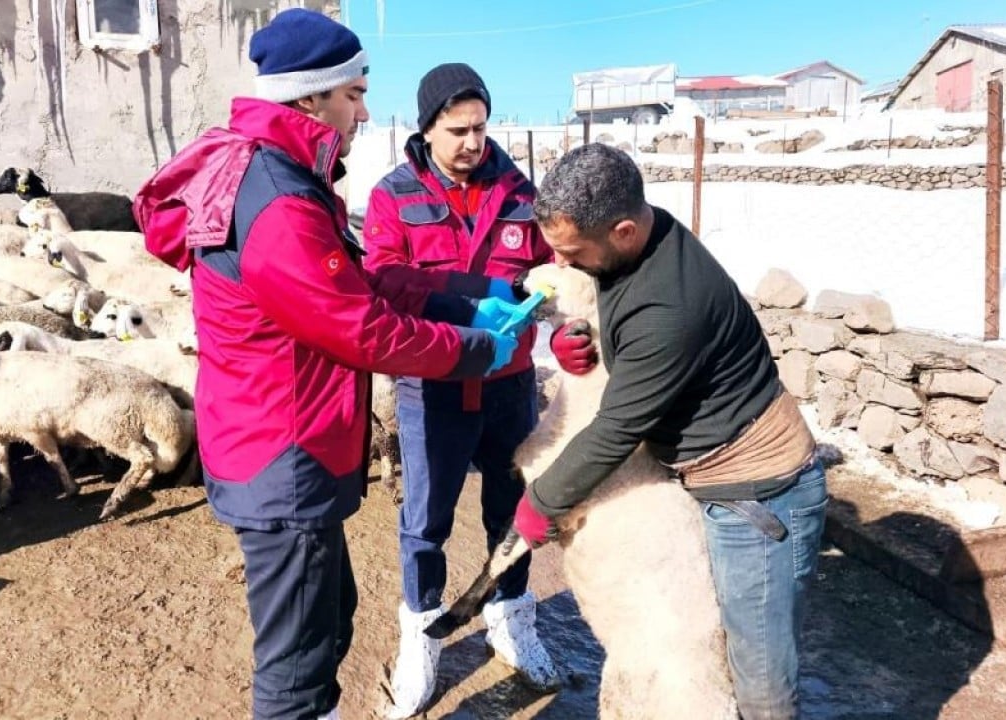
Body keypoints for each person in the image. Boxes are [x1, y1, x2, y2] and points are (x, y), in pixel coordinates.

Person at [133, 10, 528, 720]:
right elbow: (360, 328)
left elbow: (349, 285)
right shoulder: (281, 198)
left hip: (275, 435)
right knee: (297, 670)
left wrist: (471, 300)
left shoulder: (273, 173)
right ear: (312, 97)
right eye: (354, 93)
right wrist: (478, 349)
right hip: (284, 453)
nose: (364, 110)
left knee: (330, 616)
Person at [512, 143, 828, 720]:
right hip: (723, 475)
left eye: (572, 253)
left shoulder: (668, 308)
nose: (563, 265)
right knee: (712, 650)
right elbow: (624, 326)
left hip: (757, 497)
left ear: (624, 230)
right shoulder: (644, 243)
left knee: (756, 679)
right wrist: (594, 343)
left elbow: (614, 431)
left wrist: (543, 500)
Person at [363, 62, 580, 716]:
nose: (472, 142)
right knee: (424, 521)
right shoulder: (392, 196)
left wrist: (551, 303)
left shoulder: (519, 192)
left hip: (509, 384)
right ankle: (423, 639)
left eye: (481, 127)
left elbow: (554, 268)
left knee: (513, 513)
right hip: (432, 383)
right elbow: (384, 279)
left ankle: (512, 621)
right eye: (457, 129)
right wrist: (476, 298)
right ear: (427, 127)